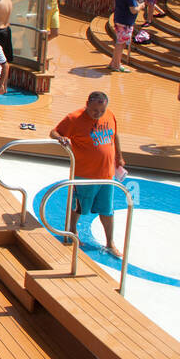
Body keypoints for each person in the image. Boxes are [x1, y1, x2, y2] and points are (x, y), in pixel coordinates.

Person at [51, 91, 125, 257]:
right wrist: (61, 139)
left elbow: (115, 136)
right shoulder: (74, 119)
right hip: (84, 174)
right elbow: (54, 132)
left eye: (101, 111)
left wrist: (119, 156)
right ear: (87, 104)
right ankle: (71, 230)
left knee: (107, 210)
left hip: (107, 175)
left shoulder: (110, 115)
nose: (98, 114)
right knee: (79, 207)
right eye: (94, 111)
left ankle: (110, 242)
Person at [110, 0, 138, 73]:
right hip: (125, 23)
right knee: (120, 44)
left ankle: (114, 62)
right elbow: (133, 10)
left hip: (119, 19)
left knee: (120, 42)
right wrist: (141, 6)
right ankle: (116, 65)